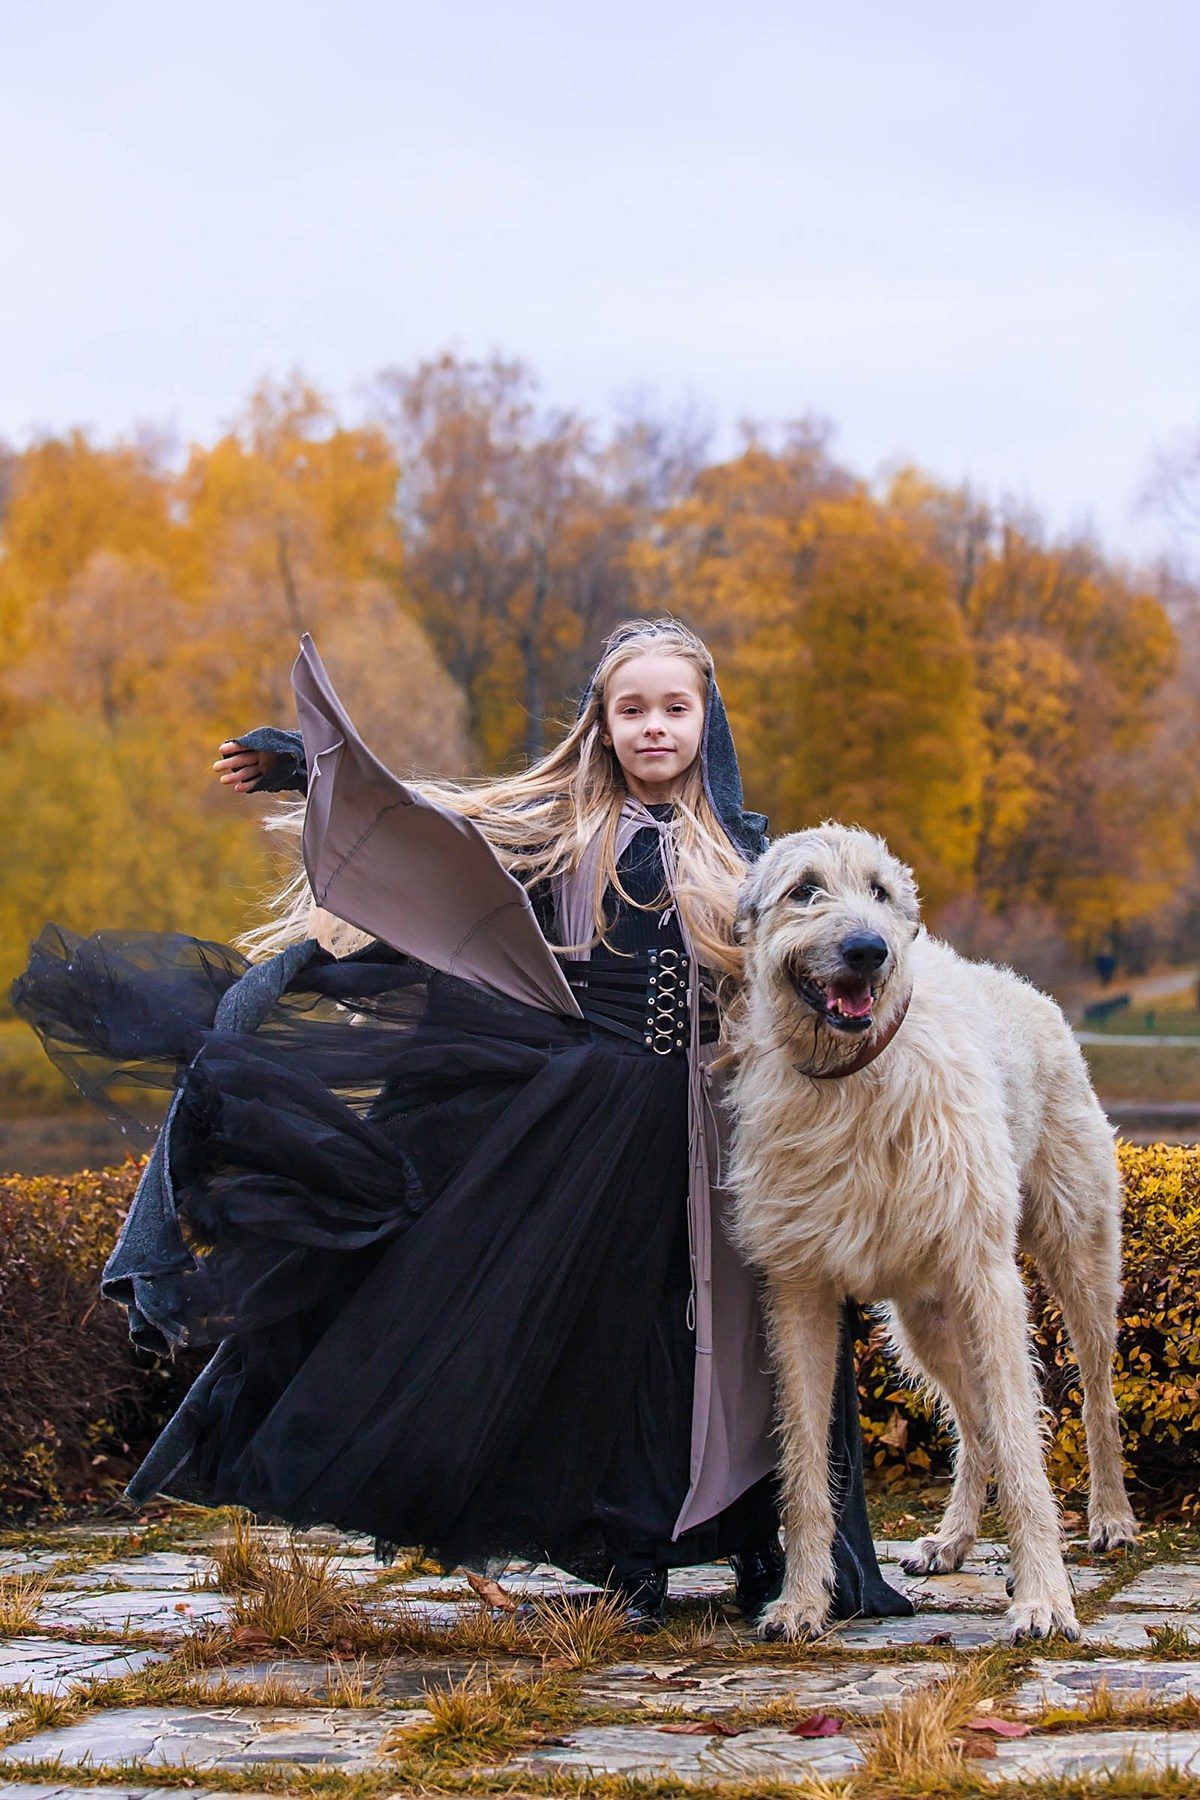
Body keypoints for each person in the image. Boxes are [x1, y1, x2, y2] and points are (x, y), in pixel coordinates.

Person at [14, 618, 910, 1630]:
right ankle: (628, 1547)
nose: (654, 727)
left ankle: (777, 1543)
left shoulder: (754, 850)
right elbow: (422, 828)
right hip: (594, 1120)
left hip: (731, 1124)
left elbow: (838, 957)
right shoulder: (562, 825)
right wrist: (312, 768)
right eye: (633, 710)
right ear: (602, 725)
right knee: (605, 1334)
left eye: (675, 707)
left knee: (752, 1328)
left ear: (709, 718)